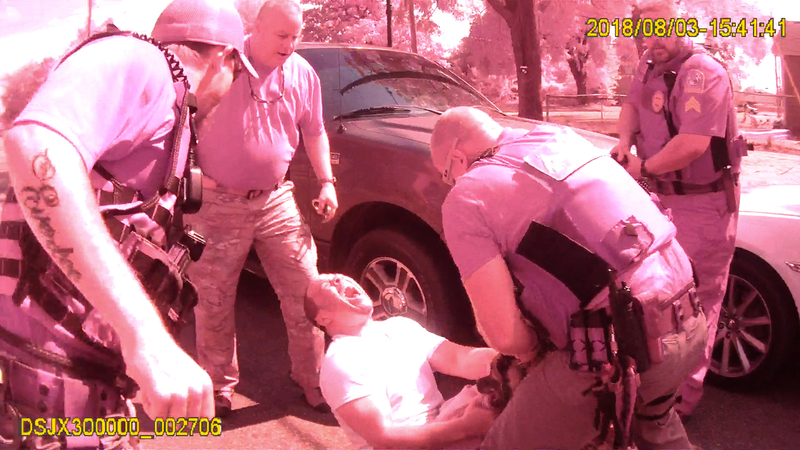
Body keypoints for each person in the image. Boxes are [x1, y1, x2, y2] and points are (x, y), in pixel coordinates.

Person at [0, 0, 257, 448]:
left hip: (82, 379)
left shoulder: (173, 102)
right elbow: (34, 145)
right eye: (237, 73)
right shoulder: (144, 62)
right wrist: (147, 339)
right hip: (42, 376)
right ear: (225, 57)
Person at [429, 106, 709, 449]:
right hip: (690, 319)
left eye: (446, 175)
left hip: (620, 349)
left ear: (457, 158)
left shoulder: (467, 196)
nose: (451, 183)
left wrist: (532, 354)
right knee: (655, 423)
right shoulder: (560, 136)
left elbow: (506, 336)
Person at [185, 0, 335, 416]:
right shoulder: (223, 64)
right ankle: (217, 386)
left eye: (296, 36)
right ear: (256, 29)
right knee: (213, 299)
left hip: (275, 200)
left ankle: (314, 378)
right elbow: (183, 119)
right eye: (282, 36)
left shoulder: (302, 73)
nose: (290, 45)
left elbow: (315, 130)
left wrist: (326, 181)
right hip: (217, 203)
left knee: (308, 292)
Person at [611, 0, 747, 419]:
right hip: (660, 199)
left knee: (698, 303)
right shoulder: (648, 65)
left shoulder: (702, 73)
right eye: (645, 33)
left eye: (662, 30)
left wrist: (643, 167)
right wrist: (622, 143)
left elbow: (693, 144)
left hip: (703, 203)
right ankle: (656, 386)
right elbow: (633, 106)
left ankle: (680, 401)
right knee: (658, 294)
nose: (654, 41)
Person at [305, 273, 497, 449]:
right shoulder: (341, 361)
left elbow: (458, 359)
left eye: (339, 276)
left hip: (445, 423)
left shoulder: (400, 327)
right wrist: (466, 427)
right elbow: (385, 437)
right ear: (322, 318)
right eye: (326, 285)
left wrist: (508, 360)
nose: (338, 280)